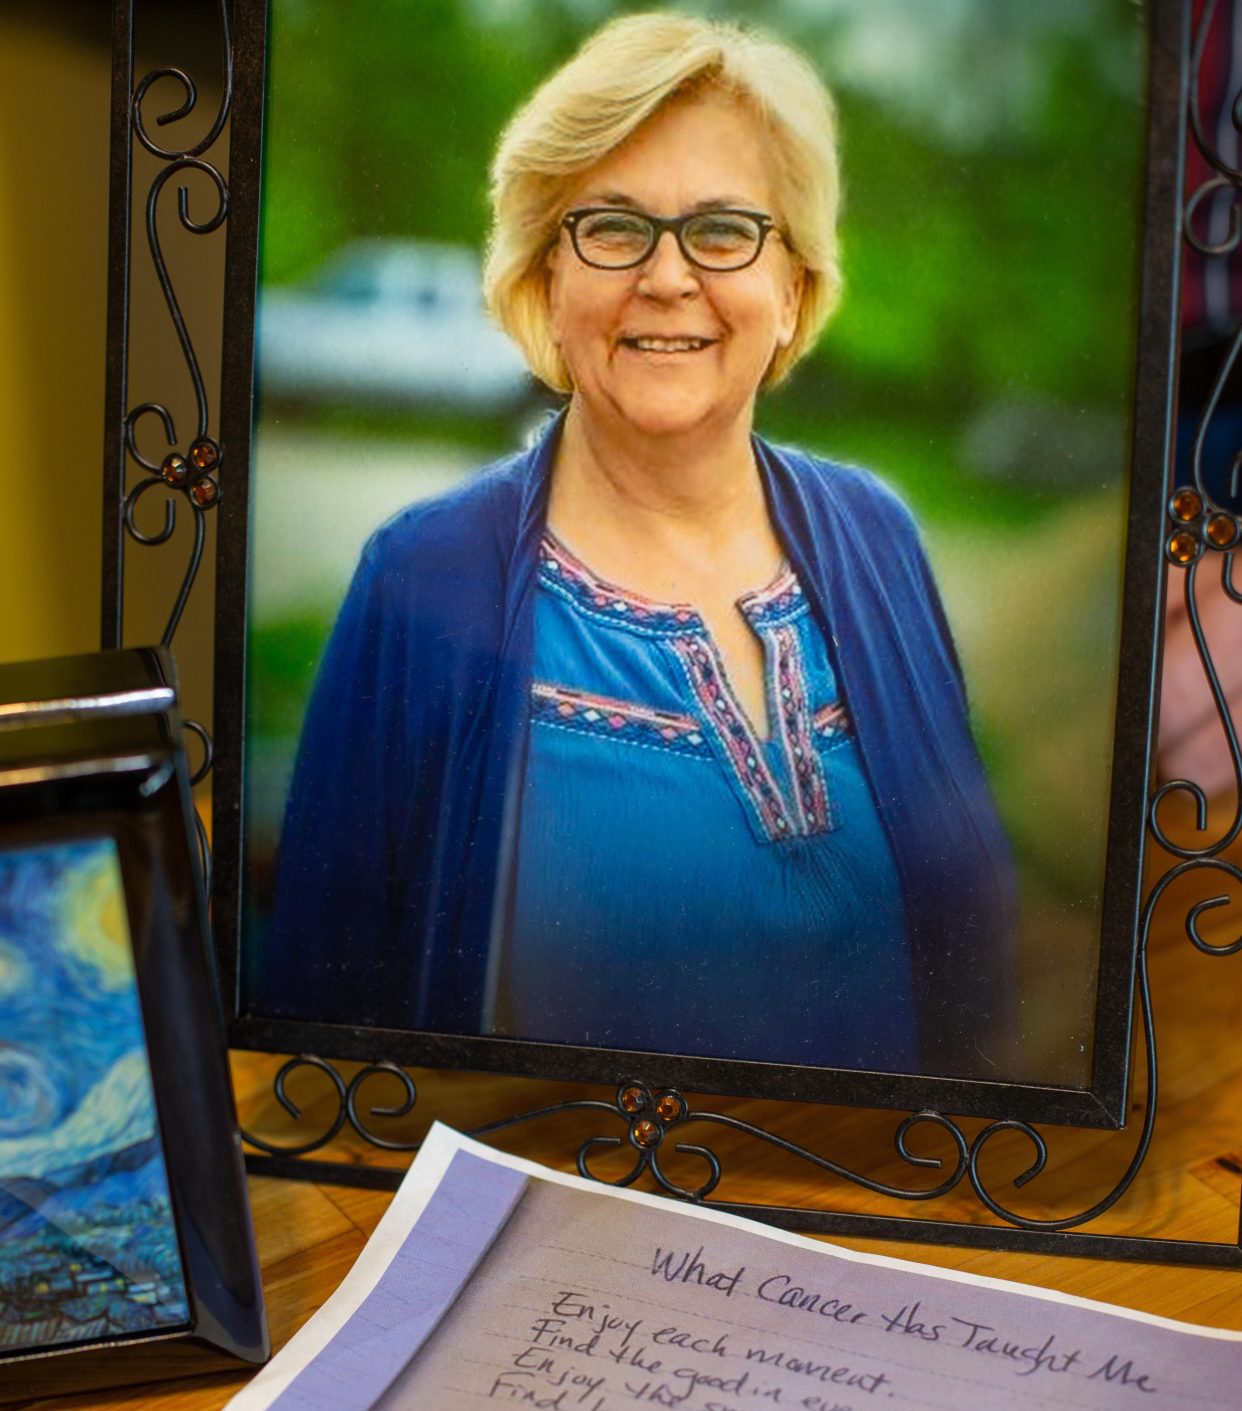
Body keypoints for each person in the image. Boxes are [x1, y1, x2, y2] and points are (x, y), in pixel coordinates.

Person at [265, 12, 1016, 1077]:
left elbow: (976, 954)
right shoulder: (423, 578)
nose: (668, 277)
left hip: (888, 1205)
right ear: (545, 281)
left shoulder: (877, 536)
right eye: (612, 228)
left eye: (722, 230)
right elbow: (324, 1021)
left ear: (793, 284)